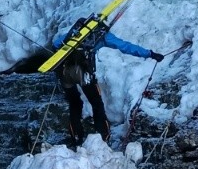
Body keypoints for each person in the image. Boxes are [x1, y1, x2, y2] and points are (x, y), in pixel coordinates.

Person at [54, 17, 163, 148]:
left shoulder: (74, 32)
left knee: (74, 103)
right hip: (84, 73)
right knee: (96, 103)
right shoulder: (102, 35)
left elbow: (56, 44)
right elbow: (125, 46)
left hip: (64, 72)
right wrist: (150, 54)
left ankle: (76, 137)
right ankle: (102, 136)